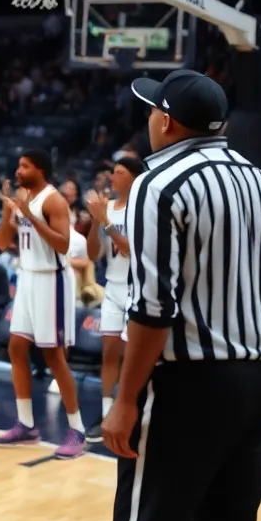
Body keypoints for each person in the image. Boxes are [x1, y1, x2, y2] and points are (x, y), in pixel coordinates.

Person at [103, 70, 261, 521]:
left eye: (151, 110)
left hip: (190, 385)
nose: (148, 118)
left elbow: (153, 307)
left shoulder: (158, 183)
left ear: (166, 122)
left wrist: (125, 399)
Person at [0, 149, 86, 458]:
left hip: (52, 281)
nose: (18, 170)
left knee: (54, 356)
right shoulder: (21, 197)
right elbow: (3, 243)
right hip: (28, 278)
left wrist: (29, 214)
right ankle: (27, 425)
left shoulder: (53, 200)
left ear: (40, 170)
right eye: (18, 165)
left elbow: (63, 244)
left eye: (25, 166)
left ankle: (77, 430)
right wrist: (9, 212)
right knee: (16, 348)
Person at [83, 156, 145, 443]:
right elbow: (93, 254)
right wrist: (97, 222)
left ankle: (129, 410)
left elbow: (132, 250)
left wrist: (105, 221)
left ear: (133, 178)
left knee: (131, 357)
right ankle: (107, 411)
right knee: (108, 352)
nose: (112, 177)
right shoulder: (106, 208)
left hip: (137, 289)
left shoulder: (142, 209)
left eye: (118, 172)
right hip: (112, 288)